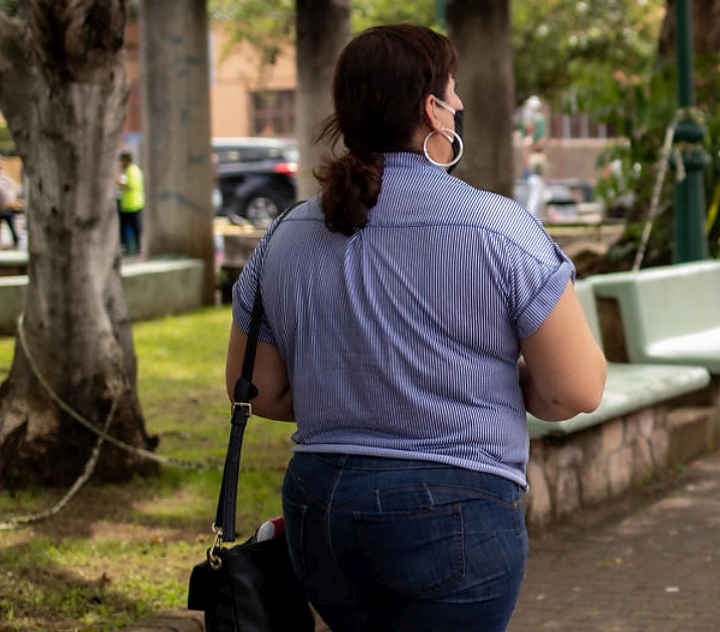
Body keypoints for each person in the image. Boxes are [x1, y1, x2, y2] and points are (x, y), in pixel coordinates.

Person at [224, 25, 607, 632]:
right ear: (432, 110)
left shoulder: (286, 234)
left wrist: (360, 395)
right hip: (452, 511)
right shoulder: (498, 227)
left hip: (318, 511)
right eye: (452, 94)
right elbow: (574, 390)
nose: (459, 106)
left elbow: (259, 391)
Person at [115, 152, 144, 255]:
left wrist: (119, 183)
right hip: (132, 203)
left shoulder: (131, 171)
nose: (120, 163)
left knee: (129, 227)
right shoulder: (134, 170)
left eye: (121, 161)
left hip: (131, 204)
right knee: (132, 227)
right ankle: (134, 247)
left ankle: (131, 248)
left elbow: (130, 186)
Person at [0, 171, 21, 249]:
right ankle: (16, 240)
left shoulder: (4, 180)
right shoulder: (6, 179)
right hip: (7, 207)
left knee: (11, 226)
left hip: (5, 208)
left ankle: (16, 240)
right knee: (11, 225)